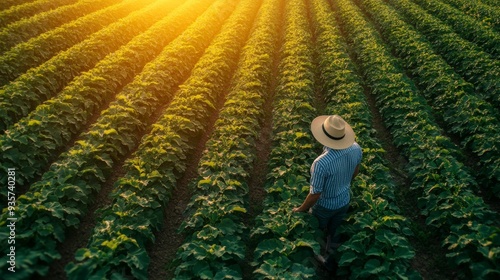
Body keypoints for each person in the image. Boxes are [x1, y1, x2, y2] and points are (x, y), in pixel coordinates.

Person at [293, 114, 362, 273]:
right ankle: (331, 259)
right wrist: (343, 183)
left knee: (318, 232)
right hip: (344, 200)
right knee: (335, 231)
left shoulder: (321, 163)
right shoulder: (356, 148)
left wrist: (301, 209)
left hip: (324, 206)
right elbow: (356, 171)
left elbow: (315, 195)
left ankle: (315, 264)